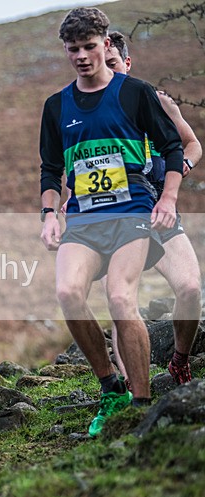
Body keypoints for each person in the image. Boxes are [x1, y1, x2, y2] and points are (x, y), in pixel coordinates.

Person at [39, 8, 184, 437]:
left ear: (106, 45)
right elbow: (50, 170)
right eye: (73, 49)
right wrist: (49, 214)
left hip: (132, 212)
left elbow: (173, 148)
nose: (82, 56)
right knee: (67, 292)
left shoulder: (135, 93)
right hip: (83, 218)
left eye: (89, 47)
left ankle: (140, 407)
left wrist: (169, 198)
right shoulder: (56, 106)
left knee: (121, 298)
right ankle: (111, 388)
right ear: (65, 51)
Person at [103, 31, 202, 387]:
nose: (108, 72)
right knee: (121, 303)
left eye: (113, 63)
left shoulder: (157, 103)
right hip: (119, 218)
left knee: (190, 289)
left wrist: (180, 168)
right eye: (102, 64)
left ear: (127, 63)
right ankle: (132, 389)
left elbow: (192, 145)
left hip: (162, 215)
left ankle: (179, 360)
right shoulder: (93, 109)